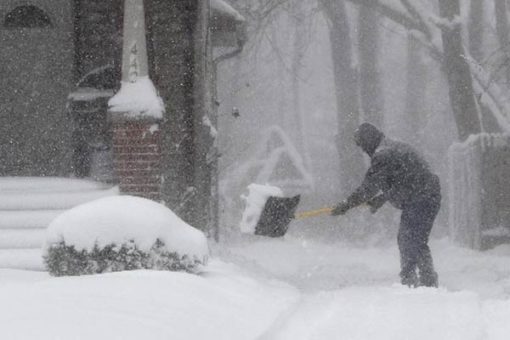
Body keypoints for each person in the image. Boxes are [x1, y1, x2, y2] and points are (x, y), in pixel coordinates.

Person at [331, 123, 441, 288]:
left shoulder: (383, 154)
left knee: (408, 238)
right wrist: (382, 198)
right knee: (416, 239)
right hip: (428, 195)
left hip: (420, 197)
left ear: (368, 141)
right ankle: (426, 280)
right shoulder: (393, 147)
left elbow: (369, 187)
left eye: (362, 145)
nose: (362, 150)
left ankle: (411, 281)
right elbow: (403, 179)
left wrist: (347, 205)